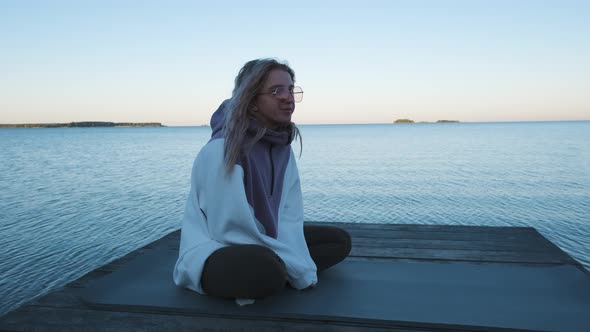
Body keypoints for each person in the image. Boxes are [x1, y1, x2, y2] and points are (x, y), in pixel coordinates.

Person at [173, 58, 351, 299]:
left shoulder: (283, 150)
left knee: (338, 241)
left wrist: (299, 266)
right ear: (252, 100)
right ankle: (275, 269)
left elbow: (289, 218)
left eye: (290, 89)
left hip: (266, 242)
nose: (287, 97)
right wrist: (299, 268)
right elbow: (229, 230)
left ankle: (279, 266)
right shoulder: (222, 150)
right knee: (265, 269)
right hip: (216, 248)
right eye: (276, 90)